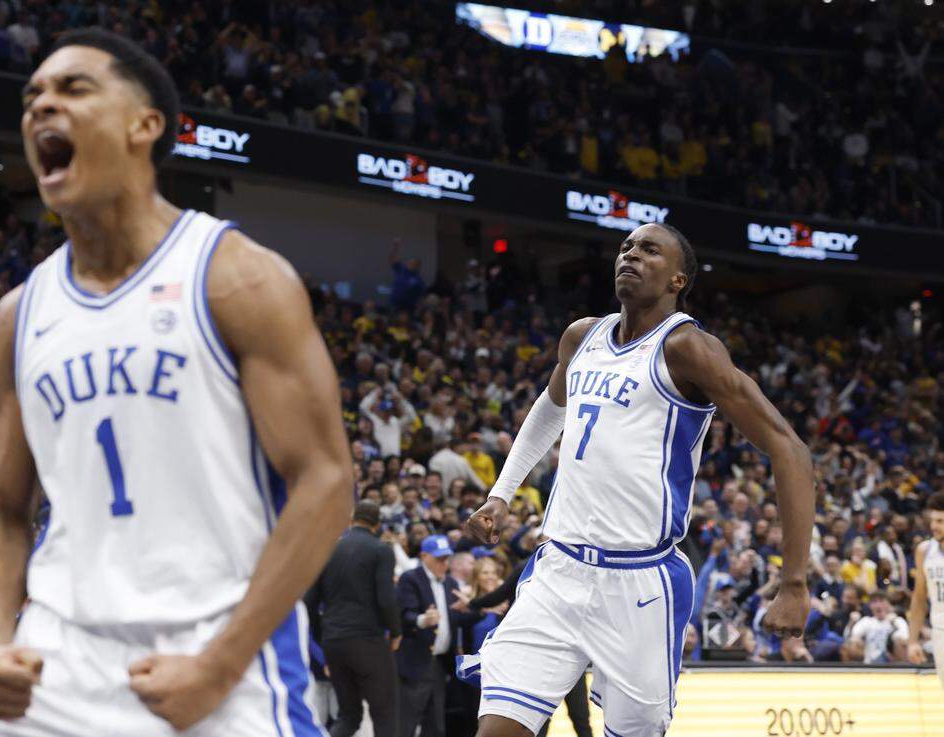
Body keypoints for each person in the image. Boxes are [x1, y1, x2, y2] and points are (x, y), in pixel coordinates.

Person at [0, 29, 352, 737]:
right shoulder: (17, 316)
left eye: (73, 89)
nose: (43, 107)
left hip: (219, 649)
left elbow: (326, 481)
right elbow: (1, 509)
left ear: (145, 124)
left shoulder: (237, 278)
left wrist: (220, 664)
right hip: (59, 650)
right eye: (32, 96)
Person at [464, 223, 813, 737]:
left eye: (650, 250)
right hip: (558, 570)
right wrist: (501, 494)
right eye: (626, 247)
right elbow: (549, 408)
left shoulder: (690, 349)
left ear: (678, 279)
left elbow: (791, 449)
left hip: (640, 584)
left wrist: (795, 581)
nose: (631, 255)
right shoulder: (582, 336)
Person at [305, 500, 401, 737]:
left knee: (348, 716)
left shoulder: (327, 550)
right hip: (367, 640)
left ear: (351, 520)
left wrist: (322, 637)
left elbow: (308, 602)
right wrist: (396, 631)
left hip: (333, 642)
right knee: (385, 713)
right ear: (377, 525)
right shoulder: (381, 550)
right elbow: (386, 599)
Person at [396, 534, 466, 737]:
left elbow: (457, 620)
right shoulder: (410, 578)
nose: (444, 564)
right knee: (407, 722)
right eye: (439, 559)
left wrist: (476, 610)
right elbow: (403, 615)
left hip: (440, 663)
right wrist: (422, 620)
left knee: (436, 725)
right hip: (415, 662)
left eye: (446, 559)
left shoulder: (451, 583)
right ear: (424, 556)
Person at [907, 492, 944, 688]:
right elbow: (919, 598)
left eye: (940, 521)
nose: (934, 526)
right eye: (933, 520)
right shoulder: (924, 551)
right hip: (940, 631)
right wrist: (913, 641)